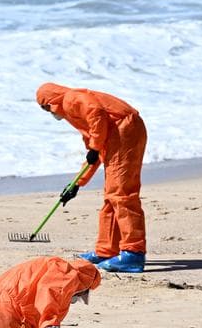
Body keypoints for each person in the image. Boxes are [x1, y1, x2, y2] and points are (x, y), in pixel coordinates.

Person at [36, 82, 149, 273]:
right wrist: (77, 184)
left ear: (51, 100)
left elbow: (95, 112)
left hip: (125, 130)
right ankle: (106, 251)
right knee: (111, 197)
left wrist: (95, 147)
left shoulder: (71, 99)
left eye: (46, 107)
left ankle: (133, 253)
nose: (50, 113)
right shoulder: (79, 117)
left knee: (121, 195)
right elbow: (94, 153)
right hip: (118, 133)